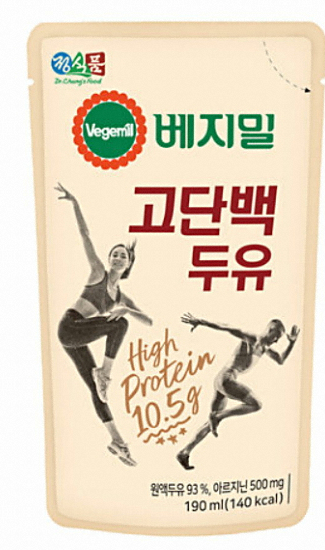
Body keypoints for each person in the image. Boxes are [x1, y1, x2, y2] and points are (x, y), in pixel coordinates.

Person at [55, 183, 152, 467]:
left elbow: (149, 321)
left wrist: (127, 308)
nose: (118, 257)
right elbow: (84, 235)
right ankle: (105, 374)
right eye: (115, 254)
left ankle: (117, 441)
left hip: (78, 339)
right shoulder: (98, 272)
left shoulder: (121, 297)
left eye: (123, 256)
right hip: (70, 327)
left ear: (129, 264)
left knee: (96, 391)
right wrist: (75, 203)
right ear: (109, 260)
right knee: (119, 325)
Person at [176, 312, 299, 470]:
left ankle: (185, 452)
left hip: (221, 380)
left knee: (210, 424)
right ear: (270, 330)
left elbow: (280, 360)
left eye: (279, 339)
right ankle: (218, 416)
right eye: (276, 336)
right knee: (256, 404)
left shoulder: (265, 349)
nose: (276, 341)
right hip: (226, 379)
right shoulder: (251, 338)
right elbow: (227, 327)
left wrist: (292, 343)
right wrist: (200, 321)